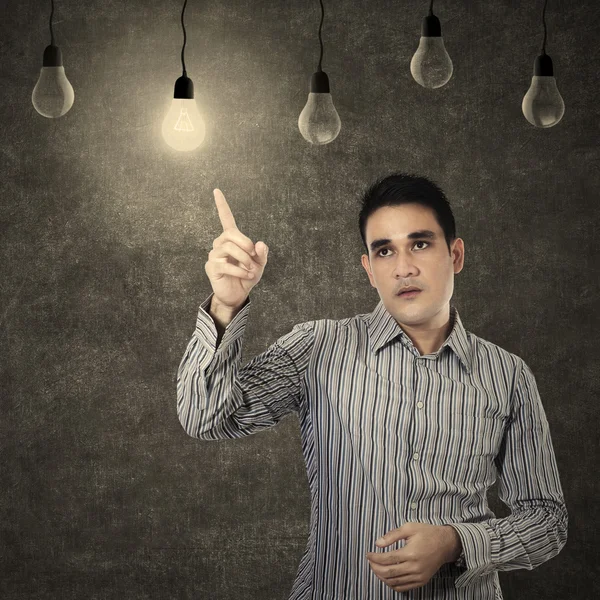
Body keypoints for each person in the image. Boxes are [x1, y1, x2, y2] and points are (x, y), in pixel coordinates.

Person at [176, 173, 568, 599]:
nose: (404, 268)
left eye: (420, 243)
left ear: (455, 254)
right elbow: (207, 418)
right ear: (369, 269)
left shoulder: (508, 375)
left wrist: (457, 542)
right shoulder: (317, 346)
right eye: (384, 251)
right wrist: (226, 304)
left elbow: (547, 520)